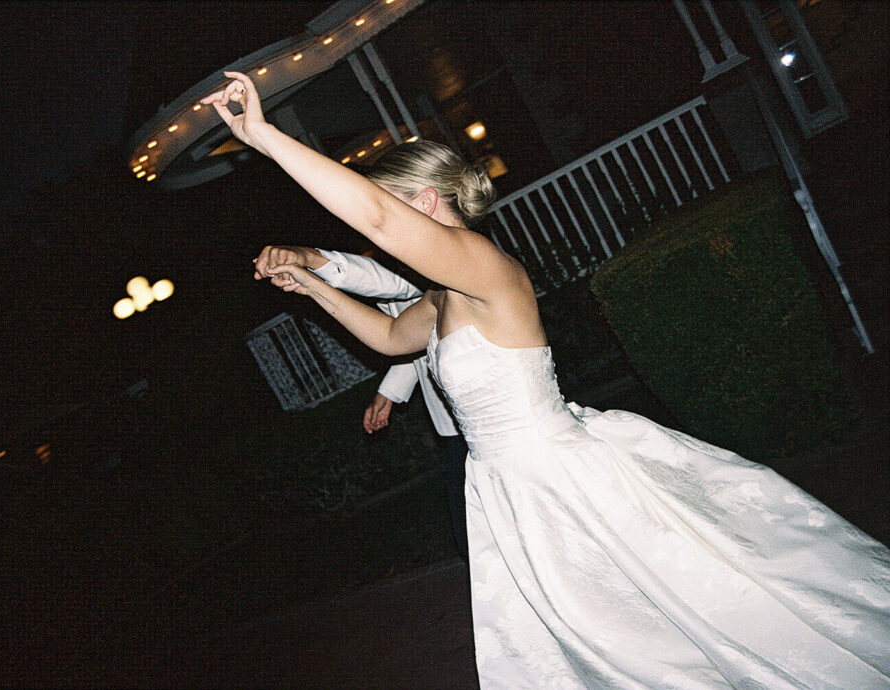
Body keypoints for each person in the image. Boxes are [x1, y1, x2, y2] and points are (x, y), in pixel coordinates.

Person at [209, 72, 890, 688]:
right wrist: (312, 288)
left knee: (674, 615)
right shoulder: (444, 297)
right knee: (598, 633)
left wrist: (265, 137)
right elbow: (388, 337)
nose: (378, 236)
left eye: (386, 214)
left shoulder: (482, 265)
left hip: (560, 477)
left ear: (425, 200)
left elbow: (379, 218)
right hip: (506, 485)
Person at [253, 245, 469, 558]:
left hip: (484, 419)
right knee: (471, 536)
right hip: (453, 423)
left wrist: (309, 259)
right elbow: (409, 337)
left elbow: (390, 282)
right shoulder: (402, 278)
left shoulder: (427, 263)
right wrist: (389, 393)